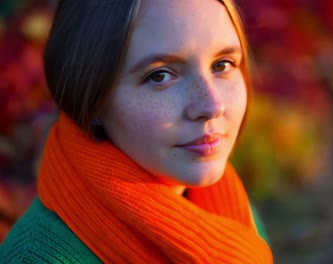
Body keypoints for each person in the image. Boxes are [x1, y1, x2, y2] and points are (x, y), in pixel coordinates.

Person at [0, 0, 273, 263]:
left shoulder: (227, 206)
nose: (212, 105)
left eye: (222, 65)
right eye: (160, 76)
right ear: (91, 98)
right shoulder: (39, 258)